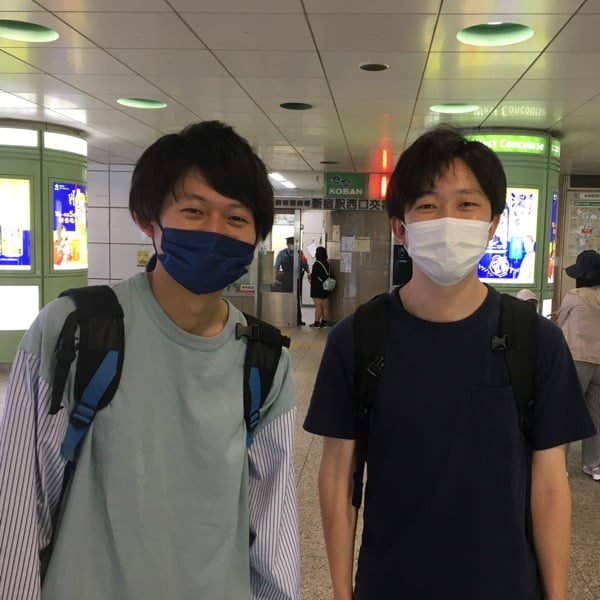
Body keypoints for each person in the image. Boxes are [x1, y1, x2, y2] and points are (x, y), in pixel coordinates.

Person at [0, 121, 300, 600]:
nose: (215, 231)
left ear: (256, 234)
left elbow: (274, 522)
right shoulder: (73, 330)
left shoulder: (263, 360)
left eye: (236, 218)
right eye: (193, 211)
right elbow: (18, 507)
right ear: (148, 219)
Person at [303, 124, 595, 599]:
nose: (447, 220)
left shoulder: (535, 340)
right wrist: (340, 592)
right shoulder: (356, 339)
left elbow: (549, 484)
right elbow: (337, 476)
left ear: (493, 224)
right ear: (400, 228)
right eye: (426, 205)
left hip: (505, 587)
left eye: (466, 204)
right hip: (391, 585)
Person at [556, 250, 600, 481]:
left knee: (565, 411)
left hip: (578, 360)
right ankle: (594, 465)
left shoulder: (574, 296)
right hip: (599, 362)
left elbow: (559, 324)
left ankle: (558, 466)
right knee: (595, 414)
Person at [309, 246, 332, 328]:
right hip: (326, 287)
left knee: (318, 307)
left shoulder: (316, 264)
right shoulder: (327, 264)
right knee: (325, 307)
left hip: (317, 288)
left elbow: (314, 276)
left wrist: (309, 277)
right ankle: (324, 322)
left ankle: (317, 322)